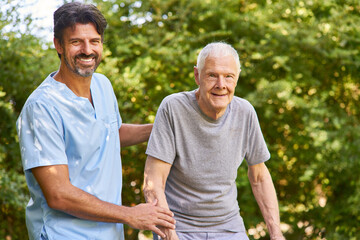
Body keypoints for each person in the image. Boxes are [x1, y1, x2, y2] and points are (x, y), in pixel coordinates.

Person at [16, 2, 175, 240]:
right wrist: (130, 215)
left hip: (109, 233)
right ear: (58, 44)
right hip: (65, 234)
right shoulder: (42, 107)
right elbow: (58, 193)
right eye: (76, 42)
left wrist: (164, 129)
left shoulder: (102, 85)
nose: (87, 50)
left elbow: (110, 134)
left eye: (94, 41)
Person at [143, 42, 285, 240]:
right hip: (179, 226)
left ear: (236, 79)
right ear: (197, 76)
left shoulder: (245, 113)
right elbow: (153, 182)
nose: (221, 85)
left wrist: (276, 234)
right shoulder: (173, 108)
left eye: (228, 76)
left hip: (228, 227)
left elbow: (260, 177)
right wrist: (170, 234)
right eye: (212, 75)